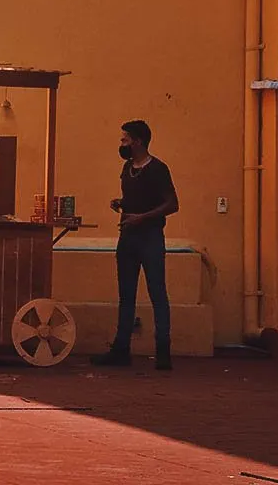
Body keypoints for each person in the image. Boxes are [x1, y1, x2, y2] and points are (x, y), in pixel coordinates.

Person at [92, 119, 178, 370]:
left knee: (157, 293)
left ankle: (163, 351)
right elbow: (137, 198)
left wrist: (143, 217)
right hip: (127, 235)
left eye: (125, 140)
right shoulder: (128, 168)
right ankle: (121, 349)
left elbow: (172, 204)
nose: (122, 144)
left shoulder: (158, 169)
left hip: (150, 236)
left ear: (138, 141)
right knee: (126, 295)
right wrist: (121, 202)